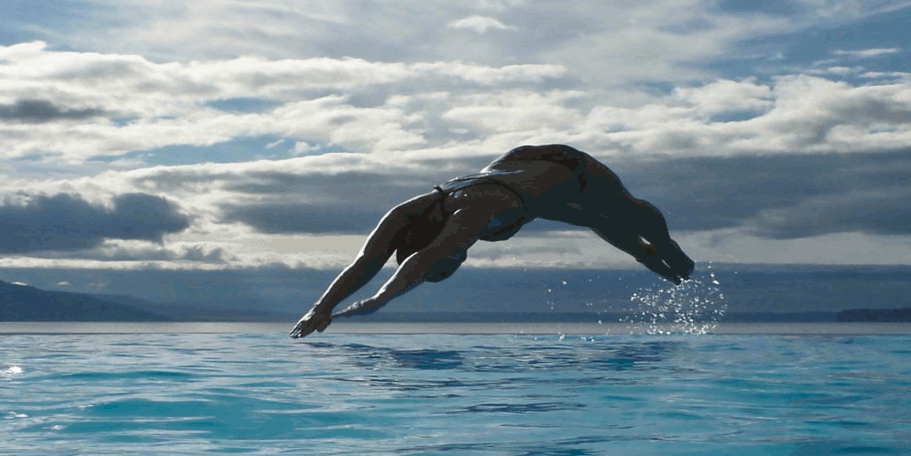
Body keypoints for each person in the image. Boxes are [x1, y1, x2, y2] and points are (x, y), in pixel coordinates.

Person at [289, 144, 695, 338]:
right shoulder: (411, 211)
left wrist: (378, 301)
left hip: (571, 169)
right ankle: (648, 256)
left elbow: (423, 259)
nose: (461, 258)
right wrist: (320, 308)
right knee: (584, 216)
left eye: (454, 260)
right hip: (522, 183)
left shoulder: (469, 219)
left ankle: (665, 247)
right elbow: (366, 260)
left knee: (622, 209)